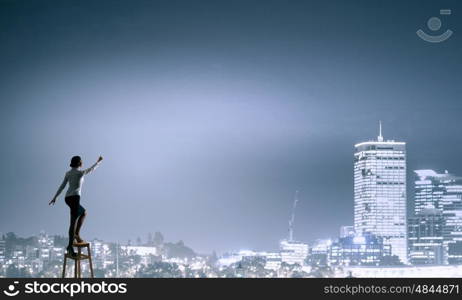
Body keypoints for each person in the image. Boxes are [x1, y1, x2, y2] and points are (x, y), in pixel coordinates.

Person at [49, 155, 103, 257]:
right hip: (74, 198)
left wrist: (55, 197)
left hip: (68, 198)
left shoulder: (68, 173)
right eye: (81, 161)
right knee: (73, 222)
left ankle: (76, 235)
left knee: (83, 212)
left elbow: (62, 186)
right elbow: (91, 169)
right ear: (79, 163)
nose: (82, 162)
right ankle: (70, 246)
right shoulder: (80, 173)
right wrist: (98, 162)